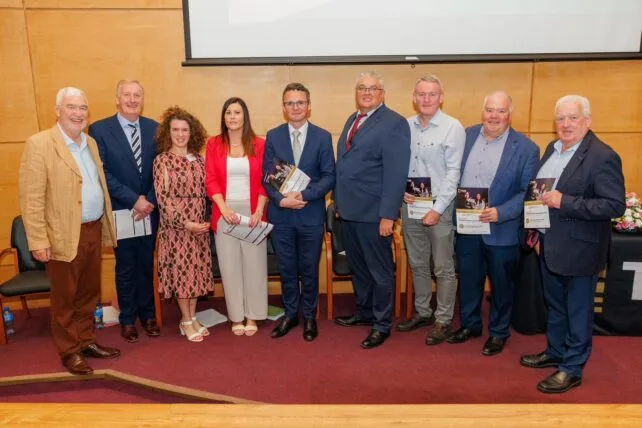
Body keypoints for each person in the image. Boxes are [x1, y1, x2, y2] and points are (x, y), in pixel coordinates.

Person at [520, 95, 625, 393]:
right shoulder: (552, 151)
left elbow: (613, 205)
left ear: (587, 121)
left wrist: (565, 202)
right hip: (547, 245)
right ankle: (555, 351)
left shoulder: (602, 156)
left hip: (581, 248)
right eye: (561, 119)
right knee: (555, 306)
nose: (566, 124)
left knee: (577, 310)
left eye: (573, 118)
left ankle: (572, 367)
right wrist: (534, 233)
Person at [19, 87, 119, 375]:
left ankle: (87, 341)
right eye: (72, 107)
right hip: (61, 234)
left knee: (88, 294)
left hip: (91, 230)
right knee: (65, 298)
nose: (78, 113)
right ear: (58, 110)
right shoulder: (40, 144)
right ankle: (69, 351)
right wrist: (38, 240)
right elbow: (32, 198)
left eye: (83, 108)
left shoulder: (90, 143)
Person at [448, 91, 539, 356]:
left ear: (510, 114)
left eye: (500, 111)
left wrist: (501, 212)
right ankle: (470, 325)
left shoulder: (526, 148)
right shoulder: (466, 135)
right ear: (482, 112)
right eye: (490, 110)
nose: (494, 116)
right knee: (468, 279)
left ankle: (499, 332)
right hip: (467, 226)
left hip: (502, 228)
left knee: (501, 285)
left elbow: (527, 190)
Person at [333, 71, 411, 349]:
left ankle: (381, 324)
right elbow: (345, 164)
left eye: (373, 88)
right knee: (359, 269)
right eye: (362, 88)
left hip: (375, 214)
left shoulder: (395, 124)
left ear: (382, 93)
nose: (366, 92)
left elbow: (396, 173)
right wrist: (339, 204)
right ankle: (364, 313)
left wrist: (388, 215)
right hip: (350, 212)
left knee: (379, 272)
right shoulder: (352, 119)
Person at [88, 80, 160, 343]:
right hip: (121, 210)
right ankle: (127, 319)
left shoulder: (154, 128)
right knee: (126, 266)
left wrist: (148, 200)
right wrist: (134, 200)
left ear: (143, 99)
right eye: (127, 95)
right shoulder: (99, 129)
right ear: (117, 99)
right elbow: (102, 172)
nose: (132, 99)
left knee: (146, 264)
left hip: (150, 211)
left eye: (137, 95)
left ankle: (149, 315)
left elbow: (160, 170)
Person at [396, 75, 465, 347]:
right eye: (421, 94)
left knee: (443, 267)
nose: (426, 99)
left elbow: (453, 173)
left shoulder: (452, 127)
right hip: (411, 203)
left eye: (432, 94)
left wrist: (437, 209)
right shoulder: (405, 126)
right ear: (414, 97)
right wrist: (399, 188)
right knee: (417, 262)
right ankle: (423, 312)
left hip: (440, 205)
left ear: (441, 97)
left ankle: (443, 319)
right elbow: (397, 162)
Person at [264, 83, 335, 342]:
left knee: (309, 269)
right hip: (281, 216)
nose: (295, 107)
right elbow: (266, 177)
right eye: (290, 103)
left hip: (310, 214)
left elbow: (329, 177)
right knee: (286, 269)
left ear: (308, 105)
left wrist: (303, 196)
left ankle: (309, 317)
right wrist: (281, 201)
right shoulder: (273, 136)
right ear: (284, 107)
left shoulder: (323, 136)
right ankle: (290, 314)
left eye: (300, 102)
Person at [205, 97, 268, 337]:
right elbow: (210, 179)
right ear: (223, 117)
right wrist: (223, 208)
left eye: (237, 112)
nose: (232, 117)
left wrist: (259, 211)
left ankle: (253, 315)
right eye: (228, 112)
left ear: (245, 116)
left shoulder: (259, 144)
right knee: (229, 268)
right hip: (225, 212)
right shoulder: (214, 144)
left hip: (252, 212)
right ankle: (236, 316)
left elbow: (265, 180)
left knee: (254, 266)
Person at [153, 106, 214, 342]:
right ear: (168, 133)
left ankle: (192, 316)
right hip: (177, 229)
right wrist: (185, 223)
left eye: (184, 130)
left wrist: (205, 221)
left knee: (196, 274)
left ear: (192, 132)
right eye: (175, 130)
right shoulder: (162, 161)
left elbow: (207, 191)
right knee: (182, 275)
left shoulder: (199, 158)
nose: (180, 134)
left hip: (199, 226)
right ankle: (186, 320)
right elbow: (164, 199)